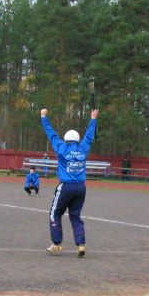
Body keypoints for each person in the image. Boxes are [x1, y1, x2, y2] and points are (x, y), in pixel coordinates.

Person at [40, 107, 98, 257]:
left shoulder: (62, 148)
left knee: (55, 213)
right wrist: (93, 119)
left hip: (66, 186)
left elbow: (51, 134)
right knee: (75, 215)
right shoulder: (83, 148)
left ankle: (57, 244)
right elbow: (89, 136)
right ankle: (81, 245)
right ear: (77, 140)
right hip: (81, 187)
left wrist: (44, 118)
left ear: (66, 139)